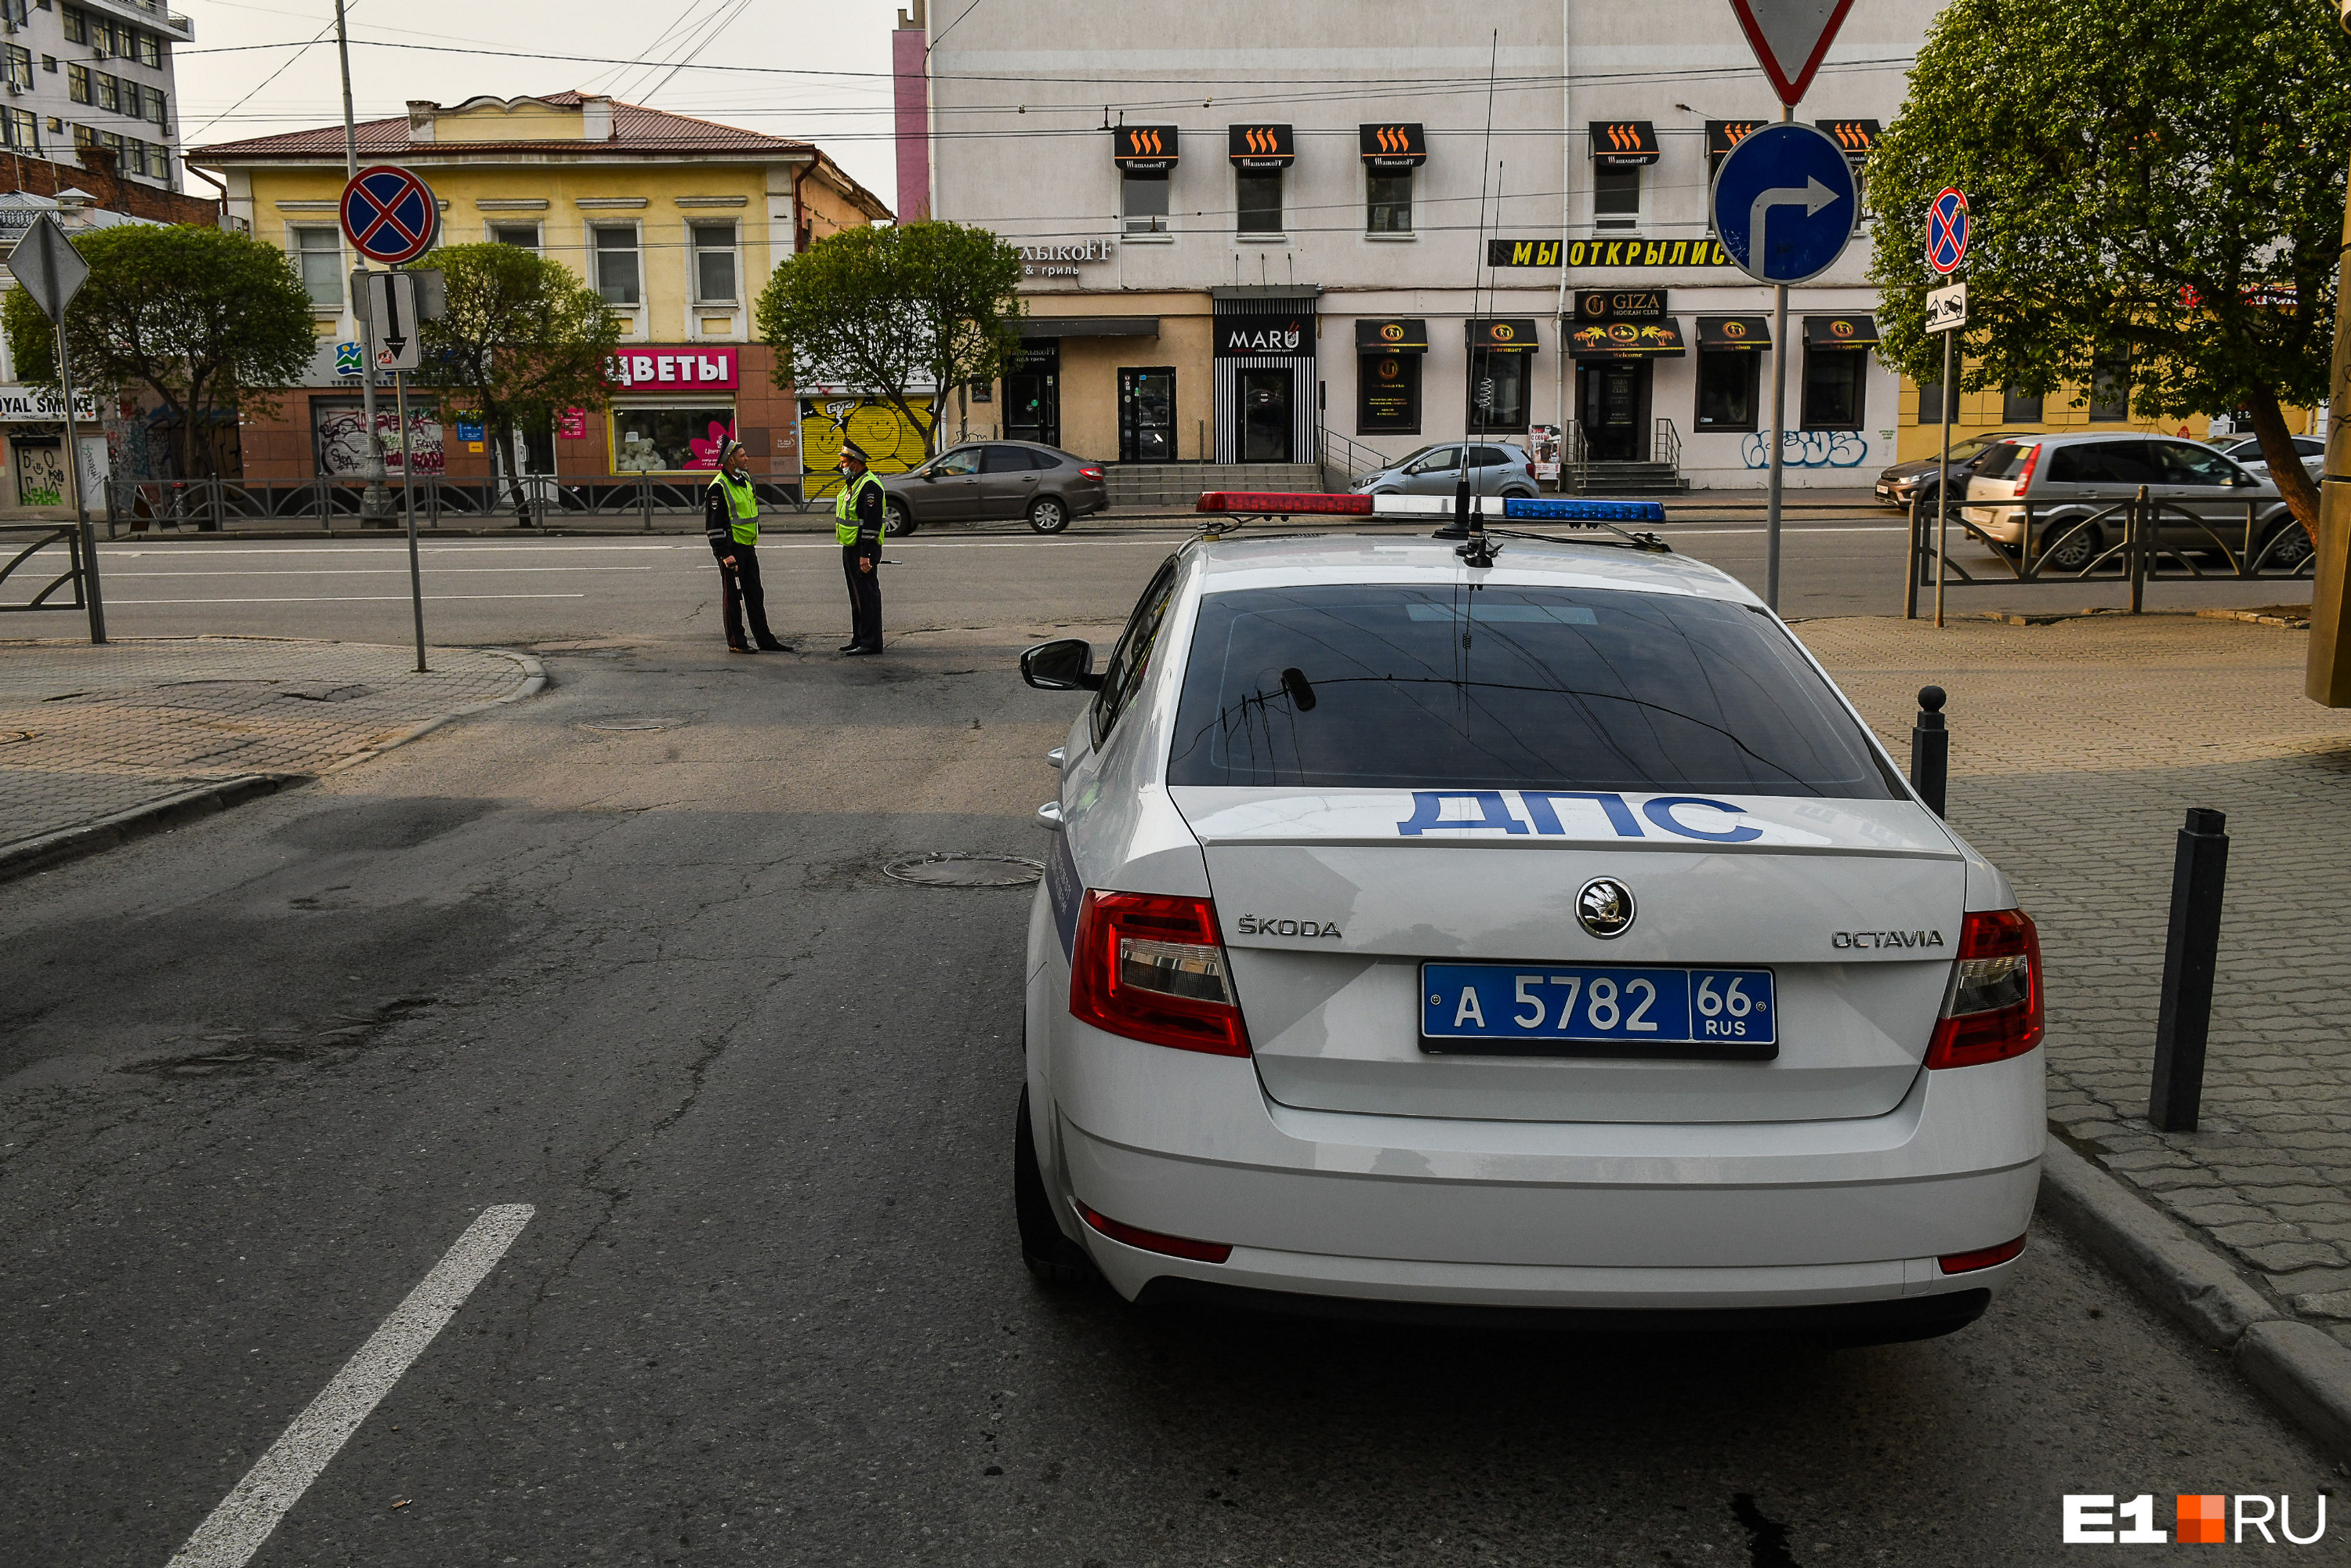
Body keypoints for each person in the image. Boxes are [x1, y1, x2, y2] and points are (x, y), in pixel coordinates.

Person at [705, 439, 789, 654]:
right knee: (733, 597)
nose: (747, 458)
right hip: (731, 550)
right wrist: (724, 554)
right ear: (731, 460)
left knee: (755, 594)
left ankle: (765, 639)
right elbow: (714, 526)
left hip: (748, 546)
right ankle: (736, 641)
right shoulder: (718, 487)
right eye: (742, 455)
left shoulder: (744, 479)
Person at [835, 440, 888, 655]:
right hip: (851, 547)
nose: (841, 465)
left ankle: (871, 642)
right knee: (857, 597)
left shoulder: (869, 486)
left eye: (844, 461)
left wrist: (866, 554)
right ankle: (859, 638)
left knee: (867, 597)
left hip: (863, 549)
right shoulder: (854, 482)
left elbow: (872, 523)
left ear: (855, 463)